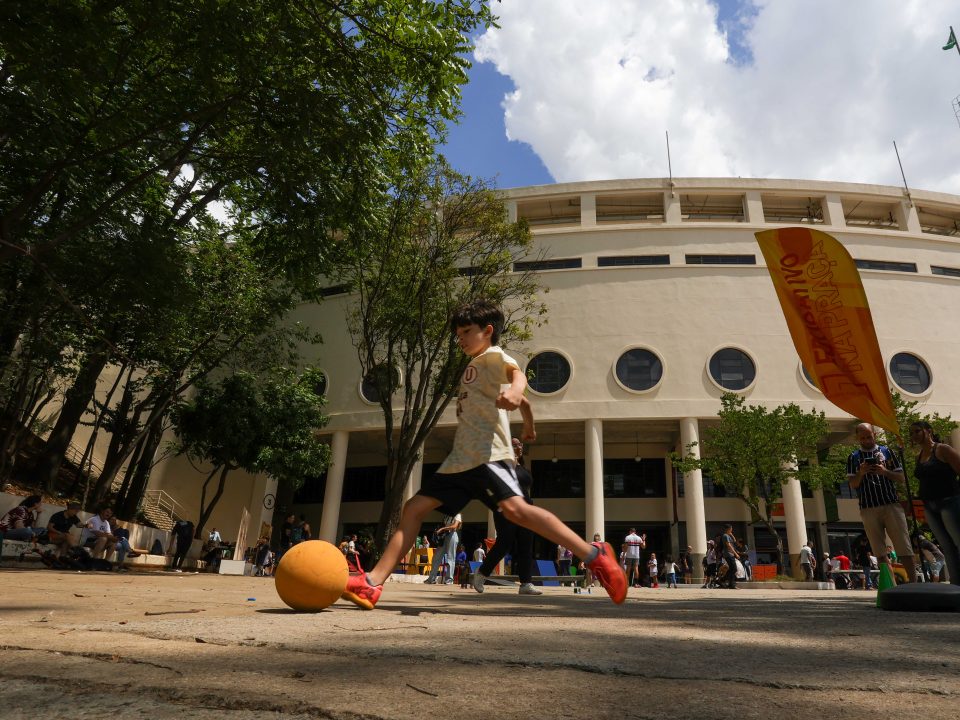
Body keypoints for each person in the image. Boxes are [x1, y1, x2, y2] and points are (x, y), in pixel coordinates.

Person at [340, 299, 627, 610]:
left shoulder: (492, 356)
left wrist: (516, 390)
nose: (460, 338)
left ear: (487, 331)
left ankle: (595, 556)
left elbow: (517, 375)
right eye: (457, 333)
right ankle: (372, 583)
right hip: (461, 461)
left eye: (466, 331)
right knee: (412, 509)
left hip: (487, 455)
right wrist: (528, 425)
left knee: (518, 512)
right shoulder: (475, 364)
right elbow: (526, 403)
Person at [846, 423, 917, 583]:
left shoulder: (887, 452)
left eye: (869, 437)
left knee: (904, 546)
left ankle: (914, 583)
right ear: (858, 438)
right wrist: (861, 472)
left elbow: (901, 478)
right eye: (862, 438)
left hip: (891, 504)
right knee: (879, 551)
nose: (866, 440)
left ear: (875, 435)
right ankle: (890, 585)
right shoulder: (853, 457)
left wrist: (884, 472)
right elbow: (853, 484)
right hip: (868, 507)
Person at [474, 438, 542, 596]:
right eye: (516, 444)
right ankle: (481, 573)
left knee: (526, 545)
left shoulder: (522, 467)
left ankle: (526, 583)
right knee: (504, 543)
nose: (520, 446)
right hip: (507, 510)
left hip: (526, 510)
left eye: (520, 444)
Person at [909, 421, 960, 586]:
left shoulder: (942, 449)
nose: (914, 435)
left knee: (958, 542)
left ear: (928, 431)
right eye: (911, 433)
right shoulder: (919, 456)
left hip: (949, 502)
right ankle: (956, 585)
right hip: (930, 506)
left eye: (917, 431)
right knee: (946, 547)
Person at [424, 512, 461, 584]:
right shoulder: (447, 515)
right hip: (444, 536)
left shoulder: (457, 514)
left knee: (451, 558)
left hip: (452, 535)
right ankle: (431, 578)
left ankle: (449, 579)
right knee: (436, 557)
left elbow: (454, 526)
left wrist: (442, 528)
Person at [720, 524, 739, 589]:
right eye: (731, 529)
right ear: (729, 529)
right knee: (734, 569)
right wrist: (736, 553)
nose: (732, 530)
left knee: (732, 569)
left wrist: (731, 534)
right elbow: (729, 545)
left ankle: (728, 583)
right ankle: (726, 581)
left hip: (730, 554)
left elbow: (734, 540)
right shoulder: (725, 536)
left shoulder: (728, 536)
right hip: (728, 554)